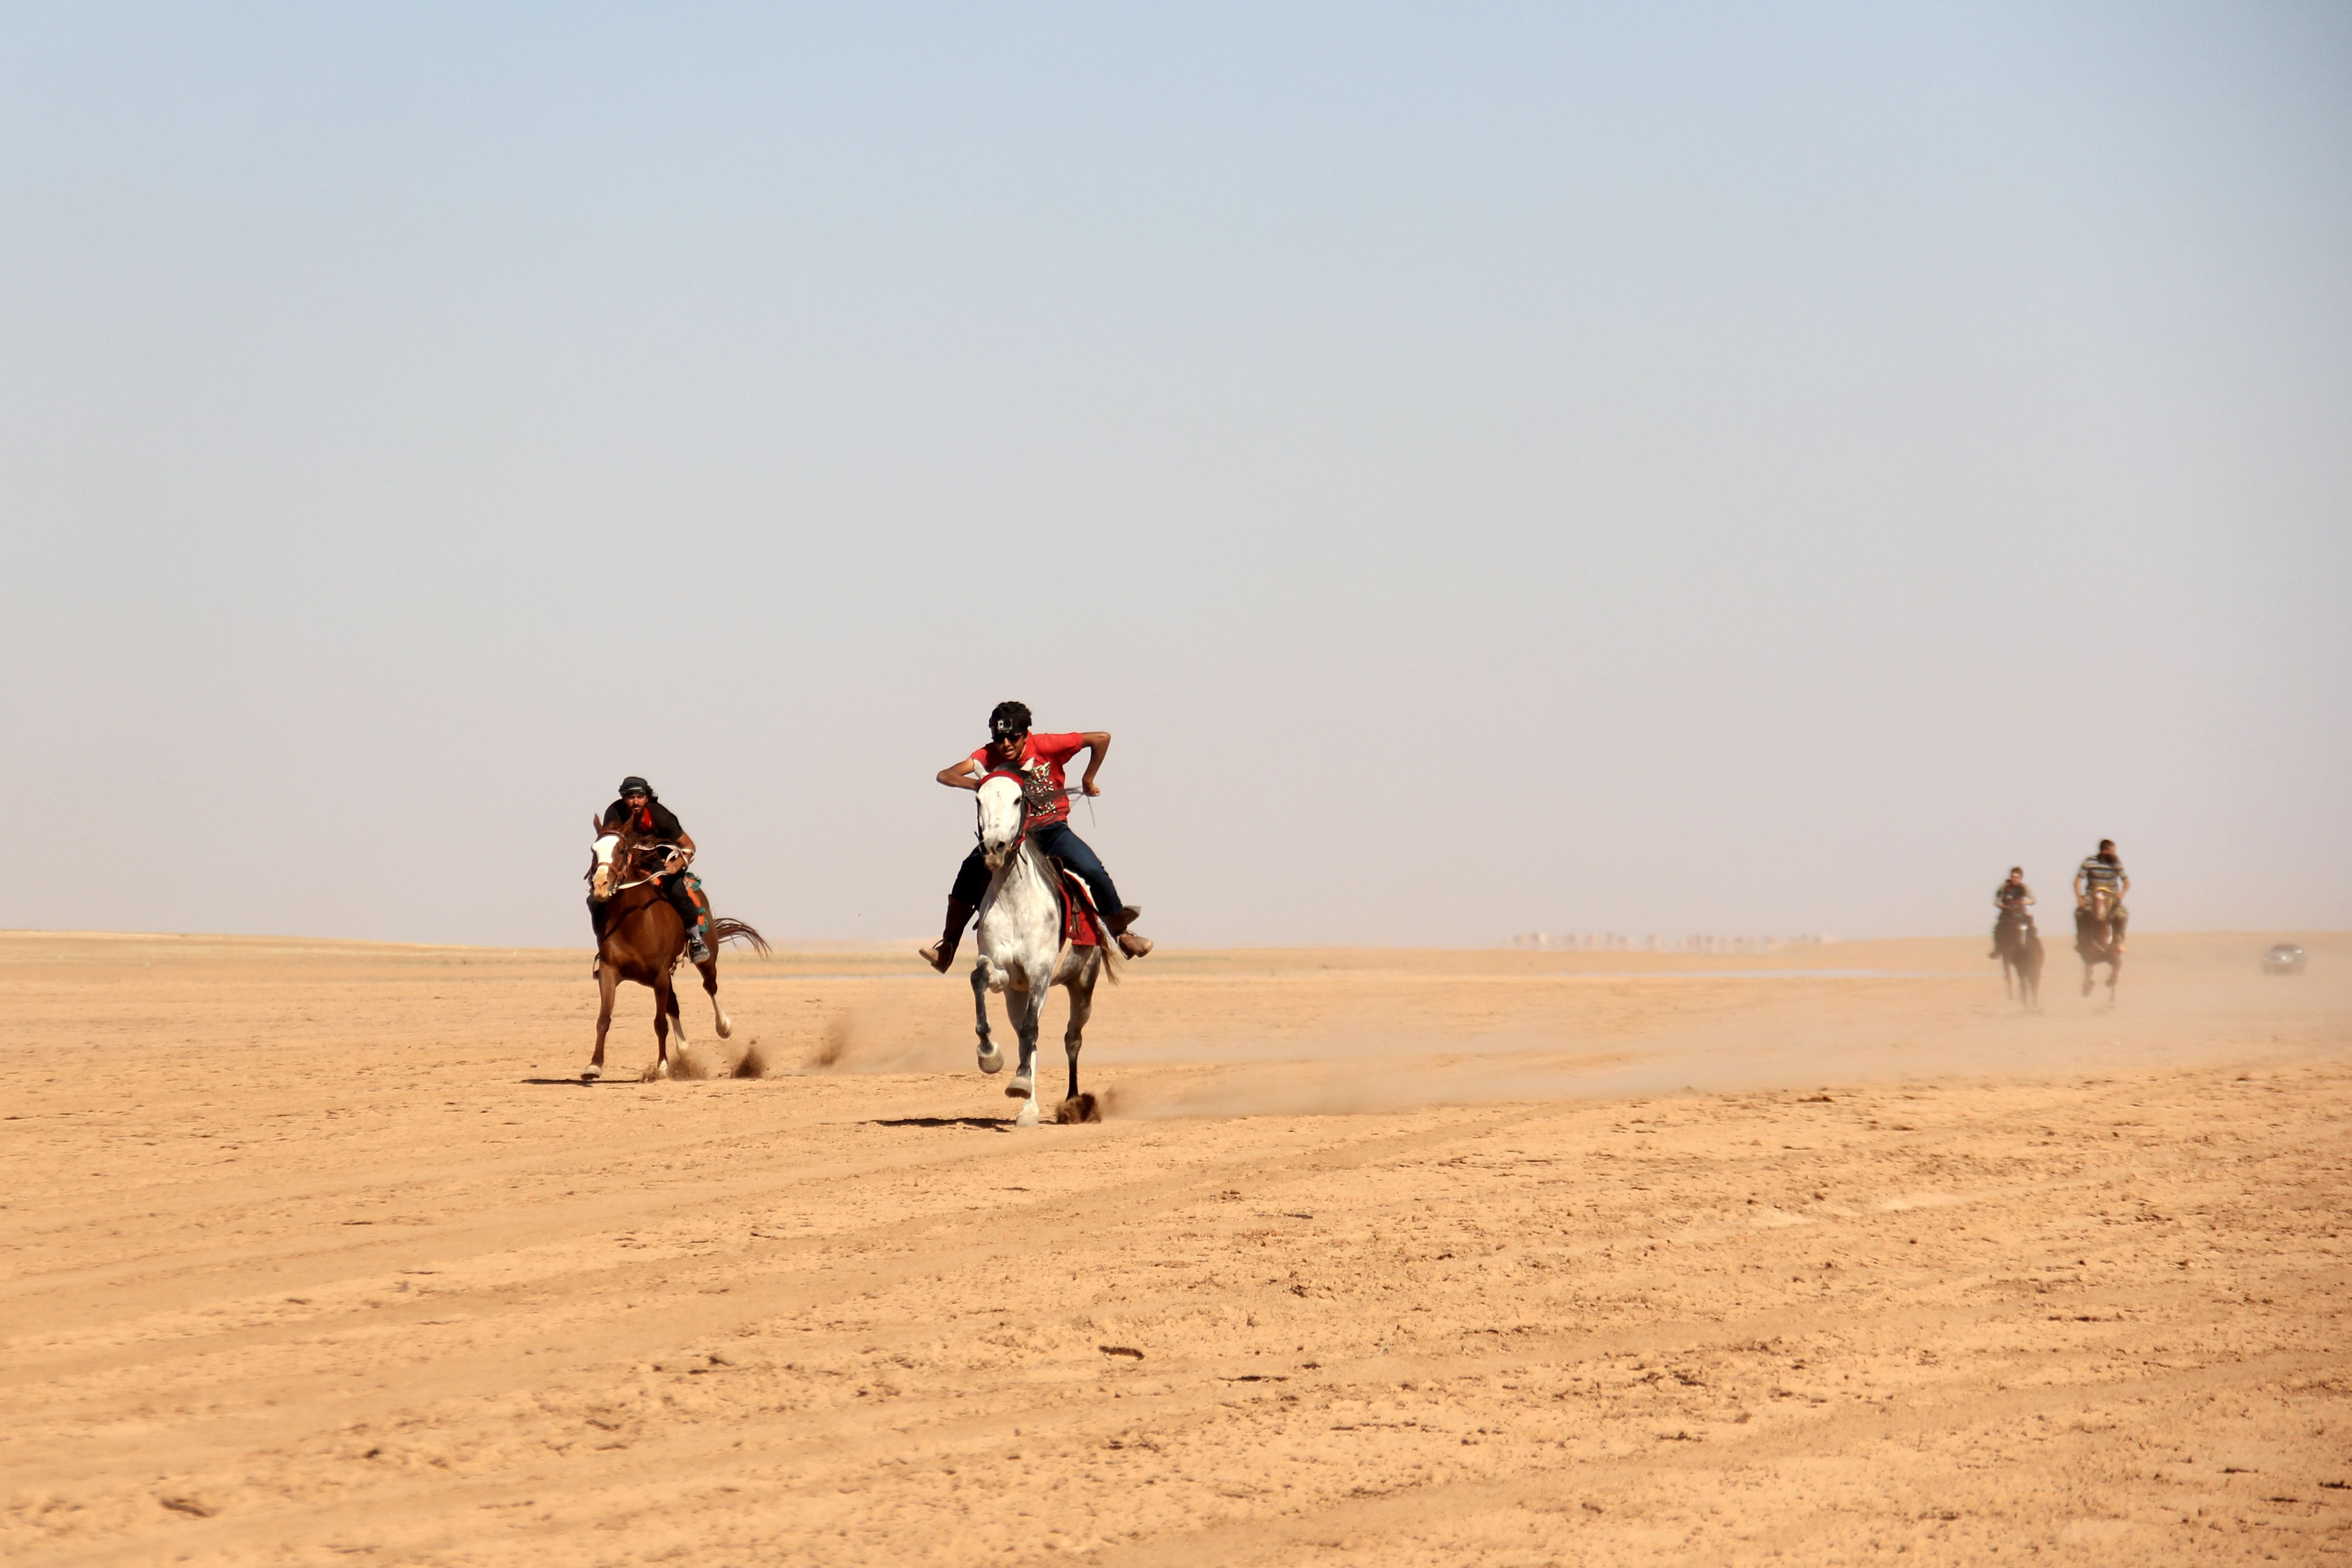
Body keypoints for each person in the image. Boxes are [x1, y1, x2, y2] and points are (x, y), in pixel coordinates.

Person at [920, 701, 1152, 971]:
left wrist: (1088, 779)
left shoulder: (1046, 745)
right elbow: (945, 775)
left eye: (1013, 737)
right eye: (999, 738)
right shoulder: (986, 756)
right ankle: (948, 946)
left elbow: (1101, 739)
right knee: (969, 871)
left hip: (1052, 830)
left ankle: (1121, 934)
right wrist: (982, 783)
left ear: (1026, 733)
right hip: (1012, 836)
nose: (1006, 744)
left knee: (1092, 868)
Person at [597, 776, 710, 962]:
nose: (635, 802)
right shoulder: (614, 812)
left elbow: (689, 846)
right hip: (626, 862)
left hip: (658, 860)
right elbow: (610, 842)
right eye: (630, 797)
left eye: (639, 797)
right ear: (623, 798)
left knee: (677, 891)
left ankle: (695, 939)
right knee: (596, 899)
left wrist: (677, 864)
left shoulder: (661, 816)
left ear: (647, 798)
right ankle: (605, 947)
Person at [2073, 838, 2130, 951]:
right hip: (2092, 895)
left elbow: (2126, 882)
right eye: (2112, 851)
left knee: (2123, 915)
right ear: (2104, 851)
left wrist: (2121, 894)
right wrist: (2079, 898)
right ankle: (2082, 941)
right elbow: (2078, 881)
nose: (2114, 854)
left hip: (2111, 896)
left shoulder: (2116, 863)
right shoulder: (2090, 862)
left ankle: (2118, 941)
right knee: (2080, 914)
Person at [1989, 866, 2035, 958]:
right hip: (2006, 914)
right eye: (2013, 877)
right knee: (1997, 929)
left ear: (2020, 878)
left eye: (2017, 877)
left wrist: (2023, 902)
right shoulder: (2004, 887)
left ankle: (2028, 948)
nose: (2014, 879)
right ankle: (1998, 949)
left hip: (2020, 914)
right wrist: (2002, 905)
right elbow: (1997, 900)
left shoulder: (2024, 888)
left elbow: (2033, 900)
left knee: (2028, 928)